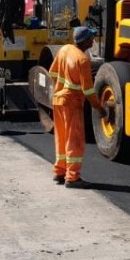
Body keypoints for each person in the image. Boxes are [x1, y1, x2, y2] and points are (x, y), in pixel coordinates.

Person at [48, 26, 107, 188]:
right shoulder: (82, 59)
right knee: (75, 140)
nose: (93, 40)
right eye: (91, 38)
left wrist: (59, 88)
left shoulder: (64, 50)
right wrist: (99, 107)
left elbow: (52, 73)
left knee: (61, 137)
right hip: (72, 103)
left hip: (58, 100)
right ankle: (72, 177)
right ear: (84, 41)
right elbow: (88, 90)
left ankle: (60, 172)